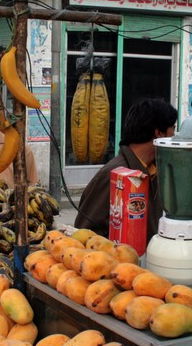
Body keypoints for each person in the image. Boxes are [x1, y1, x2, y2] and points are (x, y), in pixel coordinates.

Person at [75, 98, 177, 241]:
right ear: (159, 133)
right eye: (173, 128)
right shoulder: (112, 175)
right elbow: (84, 234)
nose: (174, 135)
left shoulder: (153, 171)